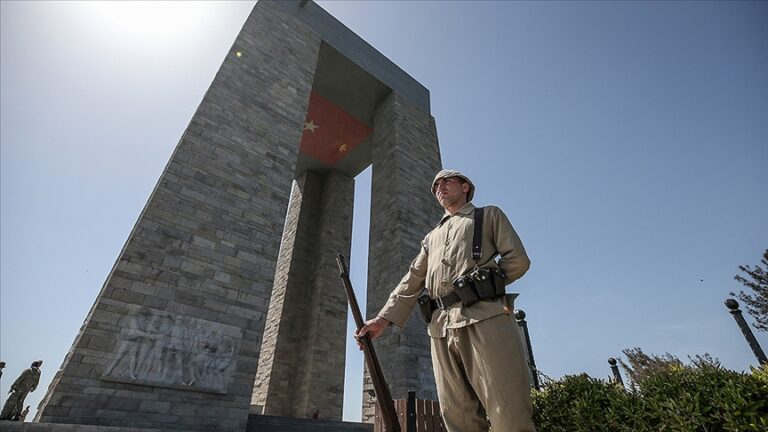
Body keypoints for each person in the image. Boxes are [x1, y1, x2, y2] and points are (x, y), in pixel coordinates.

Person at [357, 169, 536, 432]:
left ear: (465, 187)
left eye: (446, 181)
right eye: (435, 185)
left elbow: (518, 261)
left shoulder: (487, 215)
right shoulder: (431, 238)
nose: (439, 187)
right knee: (456, 415)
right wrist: (383, 319)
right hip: (440, 329)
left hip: (485, 319)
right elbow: (413, 278)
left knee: (507, 410)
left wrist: (485, 286)